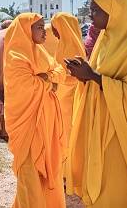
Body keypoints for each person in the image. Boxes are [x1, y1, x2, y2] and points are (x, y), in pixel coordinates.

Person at [66, 0, 127, 207]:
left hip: (118, 131)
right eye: (91, 10)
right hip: (99, 121)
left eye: (96, 11)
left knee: (114, 183)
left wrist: (93, 76)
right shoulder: (104, 39)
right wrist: (84, 76)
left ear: (116, 12)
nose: (91, 15)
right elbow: (100, 76)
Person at [4, 13, 65, 207]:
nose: (44, 31)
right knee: (30, 172)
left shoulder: (41, 52)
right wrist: (49, 81)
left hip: (46, 120)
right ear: (25, 30)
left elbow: (60, 72)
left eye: (43, 26)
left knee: (45, 171)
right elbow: (27, 85)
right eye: (38, 27)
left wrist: (46, 78)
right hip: (28, 123)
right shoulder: (16, 56)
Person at [50, 12, 85, 174]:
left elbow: (73, 76)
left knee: (67, 134)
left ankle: (67, 172)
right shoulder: (66, 44)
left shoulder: (70, 47)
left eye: (55, 27)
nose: (52, 31)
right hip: (63, 97)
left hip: (68, 98)